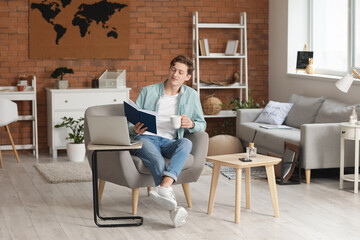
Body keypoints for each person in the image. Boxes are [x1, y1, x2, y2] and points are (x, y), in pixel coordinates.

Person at [129, 55, 206, 227]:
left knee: (187, 143)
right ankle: (173, 209)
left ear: (187, 77)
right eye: (173, 69)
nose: (175, 74)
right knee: (156, 160)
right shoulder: (148, 91)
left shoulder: (191, 96)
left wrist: (191, 124)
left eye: (180, 72)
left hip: (170, 141)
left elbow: (202, 124)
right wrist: (134, 128)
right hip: (146, 137)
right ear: (169, 69)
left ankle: (165, 186)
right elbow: (130, 120)